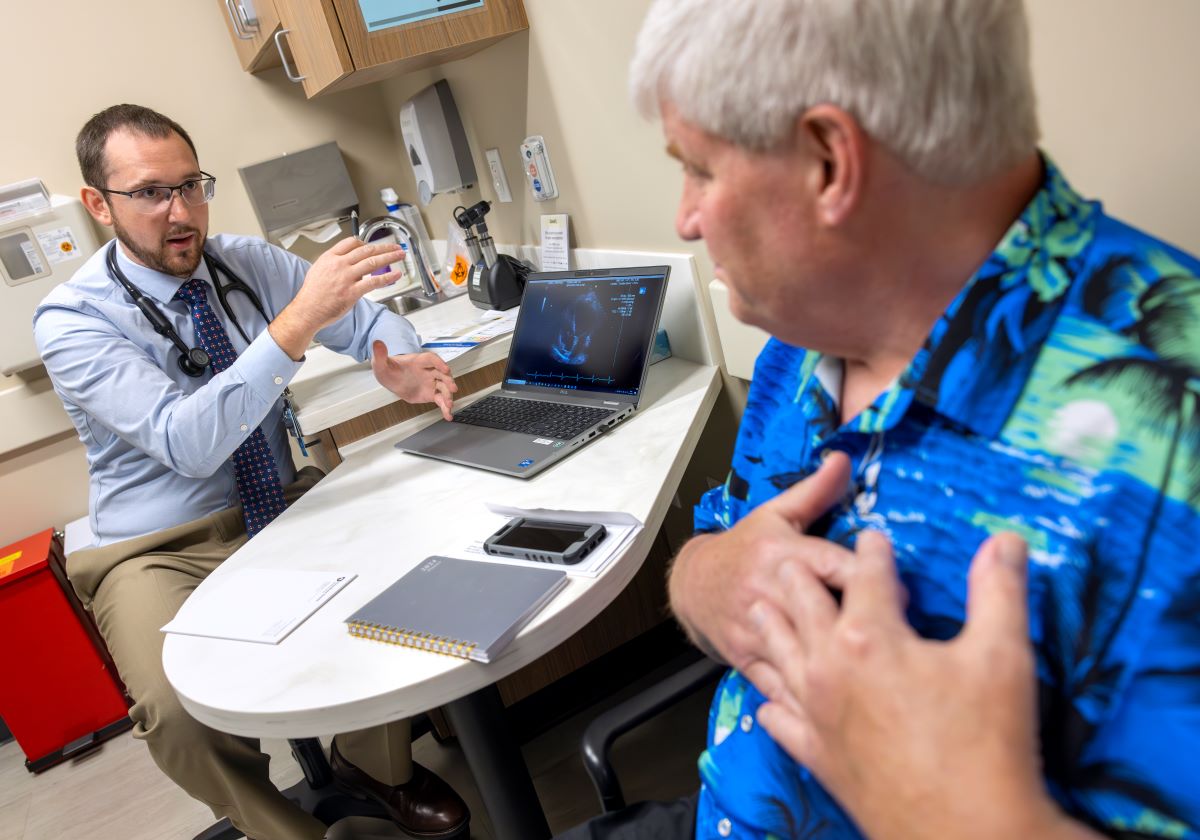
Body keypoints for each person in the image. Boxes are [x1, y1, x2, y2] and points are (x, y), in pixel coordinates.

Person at [559, 1, 1200, 838]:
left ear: (829, 160)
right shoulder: (808, 320)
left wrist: (969, 815)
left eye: (700, 170)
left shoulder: (1174, 441)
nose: (686, 216)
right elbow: (721, 539)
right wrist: (705, 579)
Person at [33, 104, 468, 840]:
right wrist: (296, 323)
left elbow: (367, 321)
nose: (181, 212)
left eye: (192, 186)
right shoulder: (72, 319)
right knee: (176, 717)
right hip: (155, 547)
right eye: (150, 193)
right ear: (98, 204)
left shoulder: (247, 262)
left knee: (413, 575)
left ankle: (374, 767)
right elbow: (187, 441)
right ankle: (280, 831)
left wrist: (394, 359)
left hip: (279, 502)